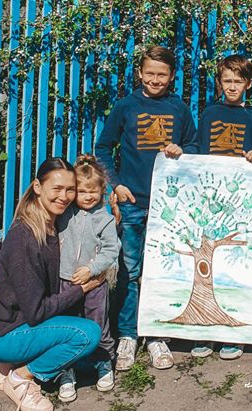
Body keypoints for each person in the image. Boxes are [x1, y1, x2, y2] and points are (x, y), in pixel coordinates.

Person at [95, 45, 199, 371]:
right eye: (149, 73)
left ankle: (156, 335)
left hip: (167, 207)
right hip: (132, 204)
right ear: (140, 73)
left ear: (171, 77)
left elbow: (194, 145)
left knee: (162, 271)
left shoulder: (179, 109)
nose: (155, 79)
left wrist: (181, 149)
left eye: (162, 74)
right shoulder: (126, 106)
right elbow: (102, 147)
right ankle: (127, 335)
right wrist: (115, 184)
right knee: (129, 271)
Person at [0, 157, 102, 411]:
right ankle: (21, 377)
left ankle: (10, 363)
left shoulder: (54, 222)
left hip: (17, 323)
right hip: (5, 332)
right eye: (56, 189)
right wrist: (81, 290)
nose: (65, 196)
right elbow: (36, 312)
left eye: (70, 189)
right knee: (88, 335)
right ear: (37, 187)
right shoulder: (24, 239)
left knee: (77, 327)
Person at [192, 54, 252, 361]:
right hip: (209, 201)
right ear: (219, 82)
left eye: (238, 81)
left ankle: (231, 334)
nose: (233, 86)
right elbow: (198, 151)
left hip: (239, 204)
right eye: (227, 80)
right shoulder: (209, 113)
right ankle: (206, 330)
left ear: (248, 84)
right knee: (206, 263)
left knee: (232, 265)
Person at [56, 154, 121, 401]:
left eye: (93, 191)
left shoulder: (103, 219)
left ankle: (103, 362)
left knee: (98, 323)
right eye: (82, 191)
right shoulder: (65, 214)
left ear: (102, 191)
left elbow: (110, 250)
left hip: (95, 284)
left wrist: (92, 269)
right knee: (68, 323)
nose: (88, 196)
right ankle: (67, 370)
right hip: (66, 280)